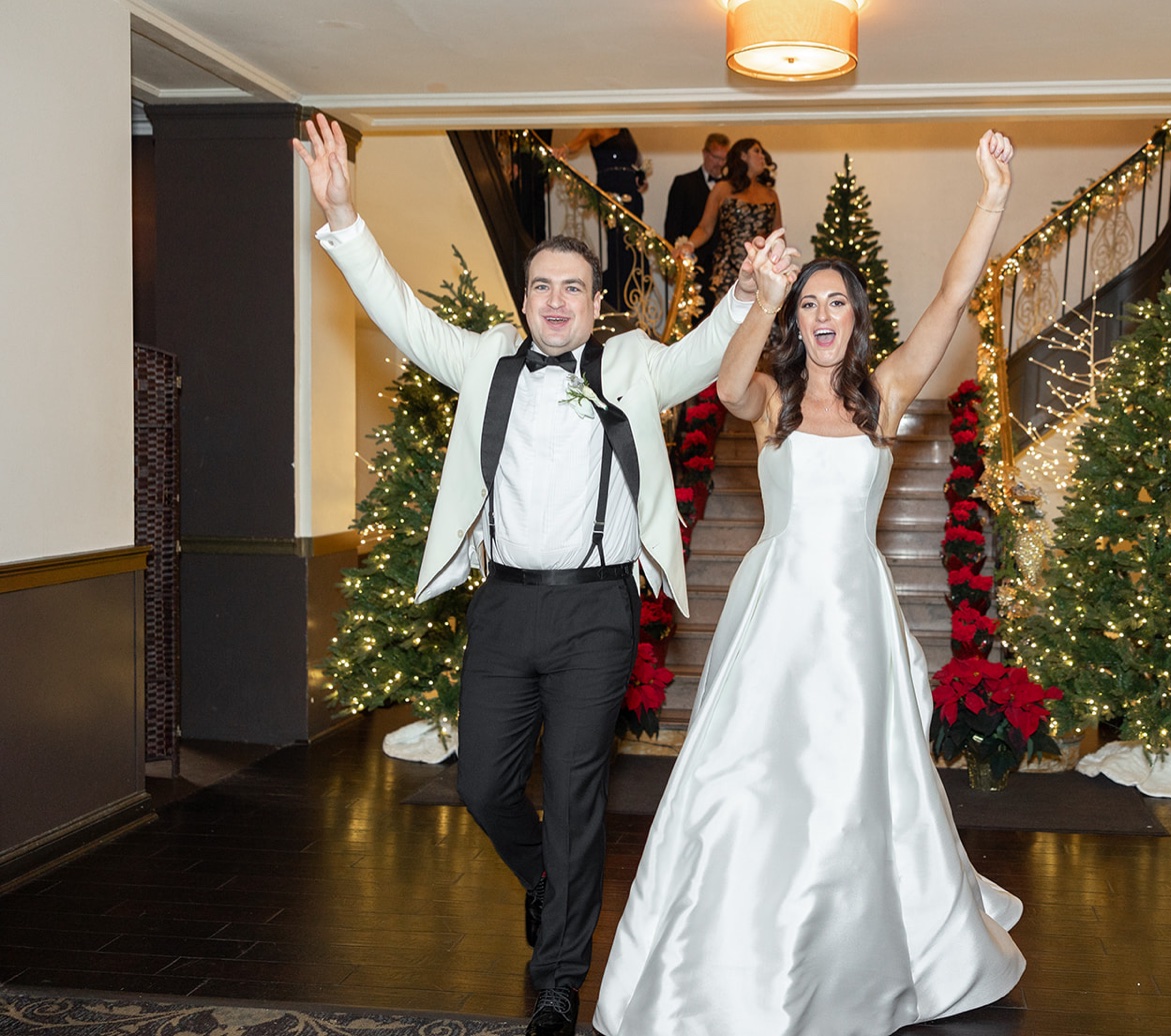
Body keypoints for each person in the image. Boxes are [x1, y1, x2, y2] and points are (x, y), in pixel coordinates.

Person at [292, 113, 794, 1036]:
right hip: (506, 606)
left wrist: (749, 295)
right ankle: (546, 882)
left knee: (574, 791)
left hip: (598, 611)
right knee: (483, 785)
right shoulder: (485, 359)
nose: (555, 300)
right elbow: (401, 311)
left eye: (572, 286)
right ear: (522, 298)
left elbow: (702, 361)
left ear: (597, 297)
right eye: (540, 286)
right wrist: (344, 216)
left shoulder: (632, 362)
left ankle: (561, 975)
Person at [593, 131, 1023, 1036]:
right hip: (778, 611)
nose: (823, 314)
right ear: (800, 319)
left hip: (856, 618)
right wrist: (761, 295)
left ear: (856, 317)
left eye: (836, 301)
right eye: (811, 303)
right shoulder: (774, 401)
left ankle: (853, 951)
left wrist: (991, 195)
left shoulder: (889, 391)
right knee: (751, 781)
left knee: (853, 787)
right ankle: (732, 950)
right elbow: (727, 376)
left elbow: (951, 298)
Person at [675, 137, 781, 309]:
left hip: (761, 271)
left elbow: (777, 234)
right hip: (728, 272)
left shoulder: (770, 195)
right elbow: (705, 227)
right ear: (743, 156)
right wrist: (689, 244)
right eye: (757, 151)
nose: (763, 157)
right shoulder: (722, 189)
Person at [553, 128, 647, 311]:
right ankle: (615, 300)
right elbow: (576, 143)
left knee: (634, 248)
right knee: (619, 247)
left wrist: (637, 179)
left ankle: (626, 298)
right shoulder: (596, 127)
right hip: (612, 194)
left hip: (632, 196)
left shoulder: (624, 130)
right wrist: (563, 150)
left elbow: (635, 162)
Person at [662, 132, 730, 311]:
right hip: (694, 264)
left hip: (721, 267)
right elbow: (672, 224)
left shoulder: (730, 188)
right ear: (705, 154)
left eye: (725, 159)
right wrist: (673, 259)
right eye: (717, 157)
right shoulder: (683, 183)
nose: (721, 163)